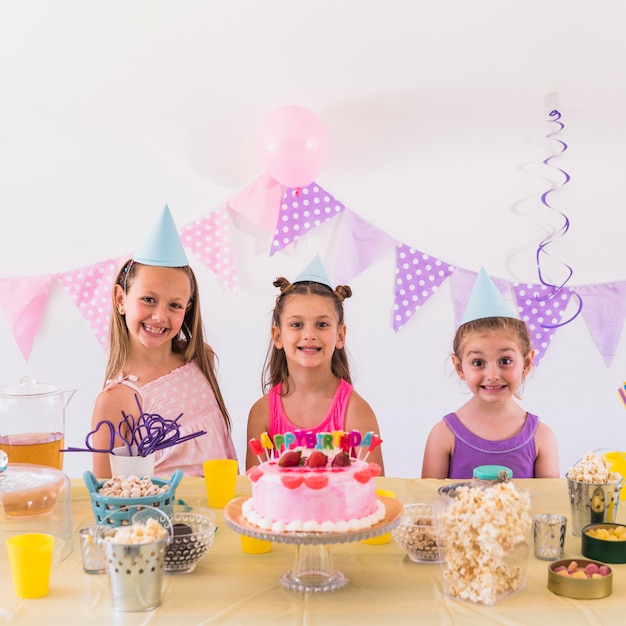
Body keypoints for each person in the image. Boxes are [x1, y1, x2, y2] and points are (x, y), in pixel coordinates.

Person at [90, 205, 237, 478]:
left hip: (218, 511)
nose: (159, 316)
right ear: (121, 299)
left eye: (174, 305)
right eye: (148, 300)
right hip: (159, 519)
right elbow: (105, 494)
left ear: (188, 308)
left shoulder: (200, 358)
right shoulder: (115, 401)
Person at [246, 255, 384, 473]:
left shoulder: (356, 411)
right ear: (278, 335)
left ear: (340, 335)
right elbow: (255, 489)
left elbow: (373, 491)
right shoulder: (262, 413)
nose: (309, 334)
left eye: (321, 324)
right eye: (297, 324)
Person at [421, 268, 559, 479]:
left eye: (505, 361)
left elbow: (549, 508)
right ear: (459, 368)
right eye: (478, 362)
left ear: (527, 362)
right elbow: (429, 505)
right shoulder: (443, 436)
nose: (493, 374)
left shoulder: (542, 438)